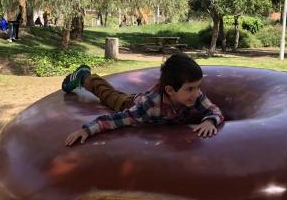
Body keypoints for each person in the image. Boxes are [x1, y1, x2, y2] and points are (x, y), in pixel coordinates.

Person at [62, 53, 224, 146]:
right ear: (170, 90)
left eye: (197, 87)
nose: (196, 93)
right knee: (109, 95)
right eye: (190, 88)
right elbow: (117, 119)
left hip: (153, 102)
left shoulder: (194, 96)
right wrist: (87, 130)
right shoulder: (149, 106)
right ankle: (84, 76)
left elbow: (214, 110)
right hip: (131, 103)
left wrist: (209, 121)